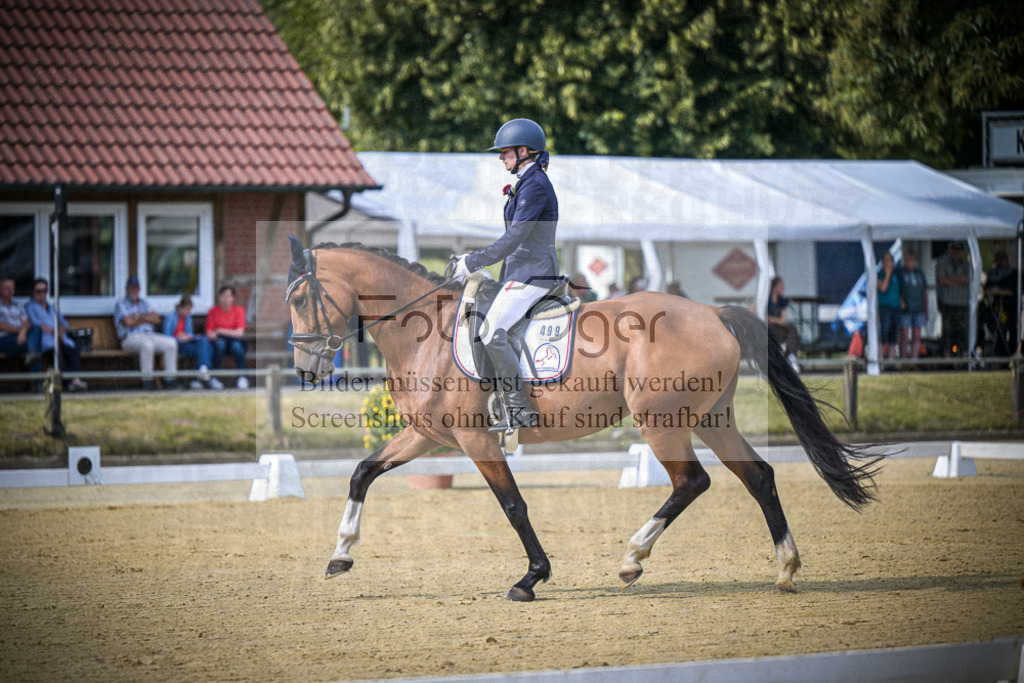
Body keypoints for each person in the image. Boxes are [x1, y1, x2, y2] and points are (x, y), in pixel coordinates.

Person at [453, 118, 558, 431]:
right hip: (521, 272)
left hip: (533, 274)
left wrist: (474, 261)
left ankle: (518, 410)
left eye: (505, 151)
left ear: (523, 151)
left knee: (491, 330)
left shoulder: (535, 185)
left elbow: (515, 238)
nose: (501, 157)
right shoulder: (527, 182)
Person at [115, 276, 179, 390]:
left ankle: (170, 380)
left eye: (136, 287)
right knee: (147, 345)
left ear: (139, 289)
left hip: (150, 335)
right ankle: (147, 381)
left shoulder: (144, 303)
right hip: (130, 338)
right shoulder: (121, 304)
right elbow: (129, 322)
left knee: (171, 343)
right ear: (126, 289)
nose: (134, 290)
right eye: (131, 287)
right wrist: (146, 318)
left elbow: (156, 319)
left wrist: (139, 317)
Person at [24, 278, 86, 391]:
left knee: (73, 351)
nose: (42, 294)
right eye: (39, 291)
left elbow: (65, 324)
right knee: (58, 354)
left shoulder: (52, 307)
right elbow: (36, 324)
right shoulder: (30, 307)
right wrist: (55, 331)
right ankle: (69, 383)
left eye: (44, 291)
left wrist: (61, 330)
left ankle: (76, 380)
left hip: (61, 340)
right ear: (33, 293)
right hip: (45, 343)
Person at [162, 295, 215, 390]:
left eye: (190, 310)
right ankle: (199, 375)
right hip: (174, 345)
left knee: (203, 341)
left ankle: (201, 371)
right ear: (180, 308)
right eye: (186, 309)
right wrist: (178, 337)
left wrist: (188, 336)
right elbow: (166, 336)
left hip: (186, 344)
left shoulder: (188, 317)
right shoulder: (170, 317)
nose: (188, 312)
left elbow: (190, 333)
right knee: (205, 349)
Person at [205, 284, 248, 389]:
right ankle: (213, 378)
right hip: (218, 342)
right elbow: (210, 334)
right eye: (223, 296)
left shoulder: (239, 310)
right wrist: (225, 333)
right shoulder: (213, 311)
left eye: (228, 296)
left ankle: (242, 377)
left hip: (235, 341)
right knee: (220, 345)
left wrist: (220, 330)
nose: (226, 299)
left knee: (236, 346)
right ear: (219, 297)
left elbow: (240, 333)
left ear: (233, 298)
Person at [935, 240, 970, 358]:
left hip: (962, 304)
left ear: (962, 252)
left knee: (963, 331)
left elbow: (968, 279)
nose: (957, 253)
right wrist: (960, 280)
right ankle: (947, 357)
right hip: (948, 304)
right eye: (954, 250)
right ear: (951, 251)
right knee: (947, 332)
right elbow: (941, 280)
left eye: (959, 250)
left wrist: (951, 279)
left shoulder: (967, 265)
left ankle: (964, 357)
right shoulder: (943, 264)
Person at [0, 276, 42, 373]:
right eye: (7, 288)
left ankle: (32, 352)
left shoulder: (19, 306)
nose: (10, 291)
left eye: (12, 288)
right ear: (0, 289)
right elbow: (1, 325)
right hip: (4, 340)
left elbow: (27, 322)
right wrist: (21, 330)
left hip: (19, 339)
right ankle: (37, 380)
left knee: (36, 328)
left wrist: (23, 330)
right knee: (36, 344)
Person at [983, 249, 1019, 355]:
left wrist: (999, 290)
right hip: (997, 307)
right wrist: (996, 290)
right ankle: (1001, 353)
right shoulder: (993, 273)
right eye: (998, 259)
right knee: (998, 330)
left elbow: (1012, 289)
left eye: (1002, 258)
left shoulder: (1013, 273)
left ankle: (1012, 353)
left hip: (1011, 307)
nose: (1000, 261)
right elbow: (987, 287)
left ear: (1006, 260)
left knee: (1013, 331)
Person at [764, 276, 800, 373]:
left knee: (792, 329)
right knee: (770, 329)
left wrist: (772, 319)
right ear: (774, 287)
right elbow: (761, 316)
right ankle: (781, 359)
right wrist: (771, 319)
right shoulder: (765, 299)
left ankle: (791, 357)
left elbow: (783, 320)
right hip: (768, 330)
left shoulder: (782, 301)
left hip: (778, 329)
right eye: (781, 286)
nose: (783, 288)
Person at [897, 250, 928, 362]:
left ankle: (914, 360)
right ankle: (903, 359)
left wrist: (926, 309)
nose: (908, 262)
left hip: (919, 308)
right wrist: (900, 301)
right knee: (904, 335)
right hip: (906, 309)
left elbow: (925, 292)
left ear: (915, 260)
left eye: (911, 259)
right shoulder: (900, 272)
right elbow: (896, 288)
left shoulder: (920, 273)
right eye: (907, 259)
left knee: (917, 335)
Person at [876, 252, 901, 360]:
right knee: (883, 333)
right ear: (882, 263)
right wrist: (887, 275)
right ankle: (879, 360)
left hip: (896, 308)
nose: (888, 263)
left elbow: (898, 291)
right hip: (884, 308)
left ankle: (891, 361)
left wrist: (901, 301)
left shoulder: (896, 276)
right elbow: (883, 288)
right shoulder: (878, 275)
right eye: (885, 260)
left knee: (894, 335)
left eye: (890, 260)